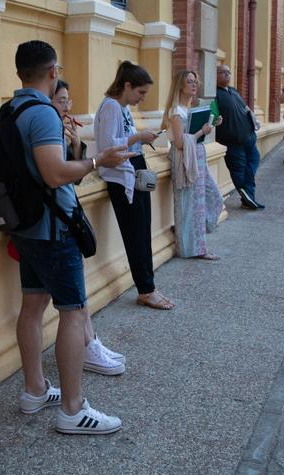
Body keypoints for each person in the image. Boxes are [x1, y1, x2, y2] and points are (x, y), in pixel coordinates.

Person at [8, 40, 133, 434]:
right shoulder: (43, 113)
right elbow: (53, 173)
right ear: (52, 71)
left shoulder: (10, 108)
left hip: (26, 226)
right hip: (53, 227)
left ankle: (33, 389)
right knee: (74, 312)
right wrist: (98, 160)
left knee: (32, 305)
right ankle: (73, 409)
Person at [51, 79, 127, 375]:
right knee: (72, 298)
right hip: (56, 222)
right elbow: (61, 176)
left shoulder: (59, 130)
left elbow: (76, 177)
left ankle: (91, 341)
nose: (67, 107)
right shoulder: (45, 128)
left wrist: (75, 146)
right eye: (61, 100)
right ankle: (87, 349)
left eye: (68, 100)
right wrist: (94, 159)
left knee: (71, 294)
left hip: (61, 217)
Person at [94, 62, 176, 310]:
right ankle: (146, 289)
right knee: (135, 236)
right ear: (127, 85)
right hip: (121, 179)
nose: (142, 98)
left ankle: (148, 287)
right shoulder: (110, 106)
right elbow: (111, 146)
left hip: (132, 173)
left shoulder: (122, 107)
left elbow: (124, 140)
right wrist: (139, 137)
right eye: (140, 93)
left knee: (142, 234)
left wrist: (142, 139)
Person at [163, 70, 224, 259]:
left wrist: (212, 126)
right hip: (184, 159)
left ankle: (191, 240)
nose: (194, 84)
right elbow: (180, 143)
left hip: (196, 156)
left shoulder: (188, 109)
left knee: (211, 199)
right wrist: (201, 131)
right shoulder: (176, 112)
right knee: (189, 205)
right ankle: (193, 249)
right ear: (180, 85)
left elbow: (193, 135)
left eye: (195, 81)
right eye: (189, 81)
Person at [215, 64, 263, 209]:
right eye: (224, 72)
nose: (228, 74)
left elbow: (245, 108)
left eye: (229, 72)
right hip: (232, 141)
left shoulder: (233, 91)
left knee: (254, 159)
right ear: (214, 75)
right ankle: (249, 198)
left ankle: (247, 195)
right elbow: (212, 118)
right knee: (239, 170)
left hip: (248, 137)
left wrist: (252, 116)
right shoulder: (213, 94)